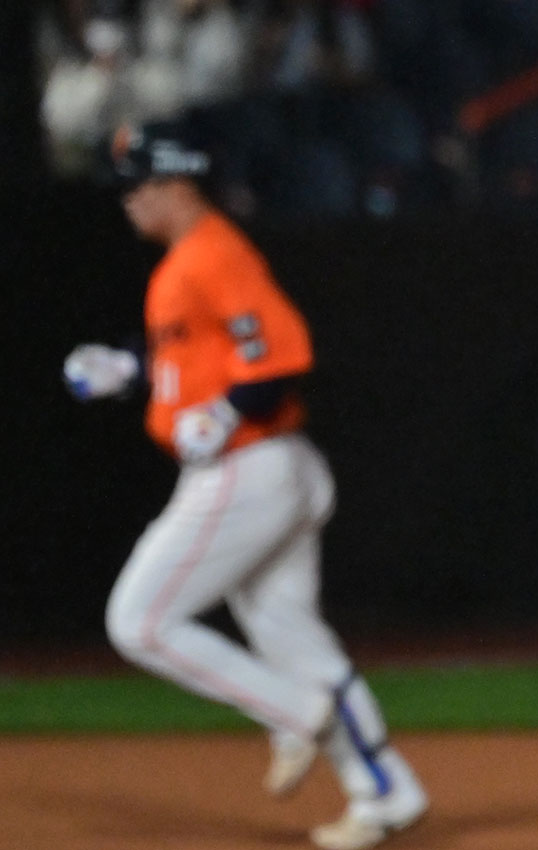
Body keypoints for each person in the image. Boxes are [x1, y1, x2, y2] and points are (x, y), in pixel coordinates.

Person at [62, 121, 427, 850]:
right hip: (272, 467)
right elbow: (201, 355)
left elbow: (281, 352)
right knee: (292, 634)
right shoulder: (189, 261)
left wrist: (229, 411)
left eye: (136, 186)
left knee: (138, 622)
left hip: (246, 468)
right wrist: (130, 369)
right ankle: (385, 791)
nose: (128, 201)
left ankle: (295, 713)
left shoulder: (210, 253)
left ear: (174, 184)